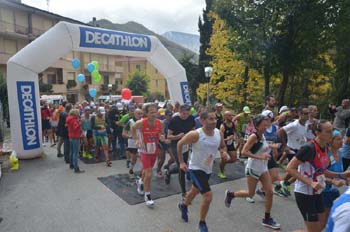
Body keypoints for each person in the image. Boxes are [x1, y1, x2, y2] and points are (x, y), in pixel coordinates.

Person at [286, 120, 350, 232]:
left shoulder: (325, 147)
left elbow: (322, 171)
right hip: (305, 193)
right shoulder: (309, 148)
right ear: (317, 133)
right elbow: (290, 168)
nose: (331, 134)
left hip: (318, 191)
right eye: (328, 131)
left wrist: (341, 175)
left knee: (320, 227)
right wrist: (310, 182)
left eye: (332, 130)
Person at [224, 114, 281, 230]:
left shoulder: (262, 135)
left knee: (269, 192)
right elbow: (244, 152)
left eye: (267, 124)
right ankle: (231, 194)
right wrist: (261, 157)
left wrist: (272, 146)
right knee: (251, 194)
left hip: (263, 168)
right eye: (264, 125)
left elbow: (261, 146)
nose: (266, 127)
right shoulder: (253, 136)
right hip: (253, 168)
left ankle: (267, 218)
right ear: (257, 126)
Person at [177, 108, 228, 232]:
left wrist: (223, 152)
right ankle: (202, 223)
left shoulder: (218, 133)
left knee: (194, 190)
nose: (214, 121)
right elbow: (180, 144)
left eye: (215, 118)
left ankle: (183, 205)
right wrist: (182, 162)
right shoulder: (195, 134)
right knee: (208, 195)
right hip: (195, 168)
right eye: (211, 119)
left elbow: (222, 146)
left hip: (208, 168)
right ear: (202, 120)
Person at [132, 103, 168, 207]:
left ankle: (140, 182)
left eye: (155, 112)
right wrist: (137, 140)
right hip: (144, 151)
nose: (154, 114)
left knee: (146, 171)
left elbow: (161, 133)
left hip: (154, 150)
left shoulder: (160, 123)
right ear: (146, 113)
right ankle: (147, 196)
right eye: (151, 112)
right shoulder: (141, 123)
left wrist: (162, 137)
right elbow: (133, 129)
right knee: (148, 173)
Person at [166, 104, 196, 200]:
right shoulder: (174, 120)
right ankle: (183, 192)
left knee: (183, 165)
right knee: (181, 168)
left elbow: (193, 129)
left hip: (186, 144)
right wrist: (177, 136)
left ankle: (169, 171)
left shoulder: (191, 118)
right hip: (176, 145)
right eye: (183, 113)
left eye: (187, 114)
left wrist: (192, 135)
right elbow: (169, 136)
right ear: (179, 111)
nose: (185, 116)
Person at [277, 106, 309, 196]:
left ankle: (284, 185)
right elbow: (280, 131)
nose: (307, 116)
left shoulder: (305, 125)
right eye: (305, 114)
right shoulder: (294, 125)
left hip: (300, 150)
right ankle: (279, 187)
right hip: (292, 150)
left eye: (308, 114)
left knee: (298, 172)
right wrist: (285, 145)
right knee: (292, 172)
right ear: (300, 114)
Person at [321, 129, 345, 228]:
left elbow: (340, 173)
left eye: (341, 139)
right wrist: (332, 181)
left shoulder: (340, 153)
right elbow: (318, 175)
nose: (342, 141)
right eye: (338, 139)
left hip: (334, 191)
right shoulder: (326, 155)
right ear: (331, 141)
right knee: (322, 223)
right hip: (324, 191)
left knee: (335, 219)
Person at [122, 108, 143, 176]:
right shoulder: (130, 122)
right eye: (138, 114)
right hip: (132, 142)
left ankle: (141, 172)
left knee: (143, 157)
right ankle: (131, 168)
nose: (140, 115)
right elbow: (124, 133)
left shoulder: (143, 121)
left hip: (142, 141)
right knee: (134, 158)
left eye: (141, 113)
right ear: (134, 114)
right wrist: (130, 136)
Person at [218, 110, 237, 178]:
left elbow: (234, 132)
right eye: (229, 115)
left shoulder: (233, 124)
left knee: (234, 159)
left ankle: (222, 163)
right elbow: (221, 139)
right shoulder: (222, 126)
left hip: (230, 144)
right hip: (223, 145)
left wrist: (234, 137)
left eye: (232, 115)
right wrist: (227, 139)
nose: (231, 117)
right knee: (225, 158)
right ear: (225, 116)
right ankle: (221, 172)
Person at [66, 109, 84, 173]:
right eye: (78, 112)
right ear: (75, 113)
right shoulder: (74, 120)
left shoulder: (69, 118)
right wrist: (80, 123)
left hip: (71, 136)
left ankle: (71, 165)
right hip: (75, 136)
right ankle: (76, 168)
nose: (79, 113)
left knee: (72, 151)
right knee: (75, 153)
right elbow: (75, 127)